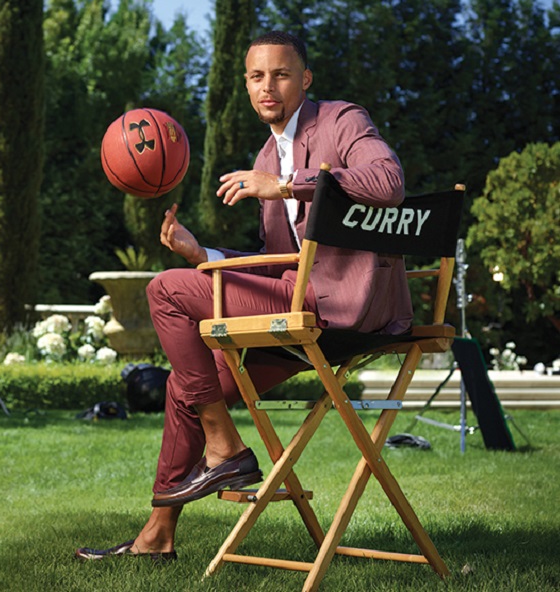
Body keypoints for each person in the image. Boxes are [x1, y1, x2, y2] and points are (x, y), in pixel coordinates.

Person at [76, 30, 410, 562]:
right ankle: (157, 535)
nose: (267, 87)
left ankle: (225, 446)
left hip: (343, 311)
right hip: (297, 305)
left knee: (165, 290)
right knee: (187, 388)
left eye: (281, 74)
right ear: (247, 85)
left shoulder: (342, 121)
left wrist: (288, 184)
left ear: (306, 79)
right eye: (256, 76)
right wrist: (201, 253)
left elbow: (388, 182)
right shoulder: (266, 153)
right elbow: (275, 262)